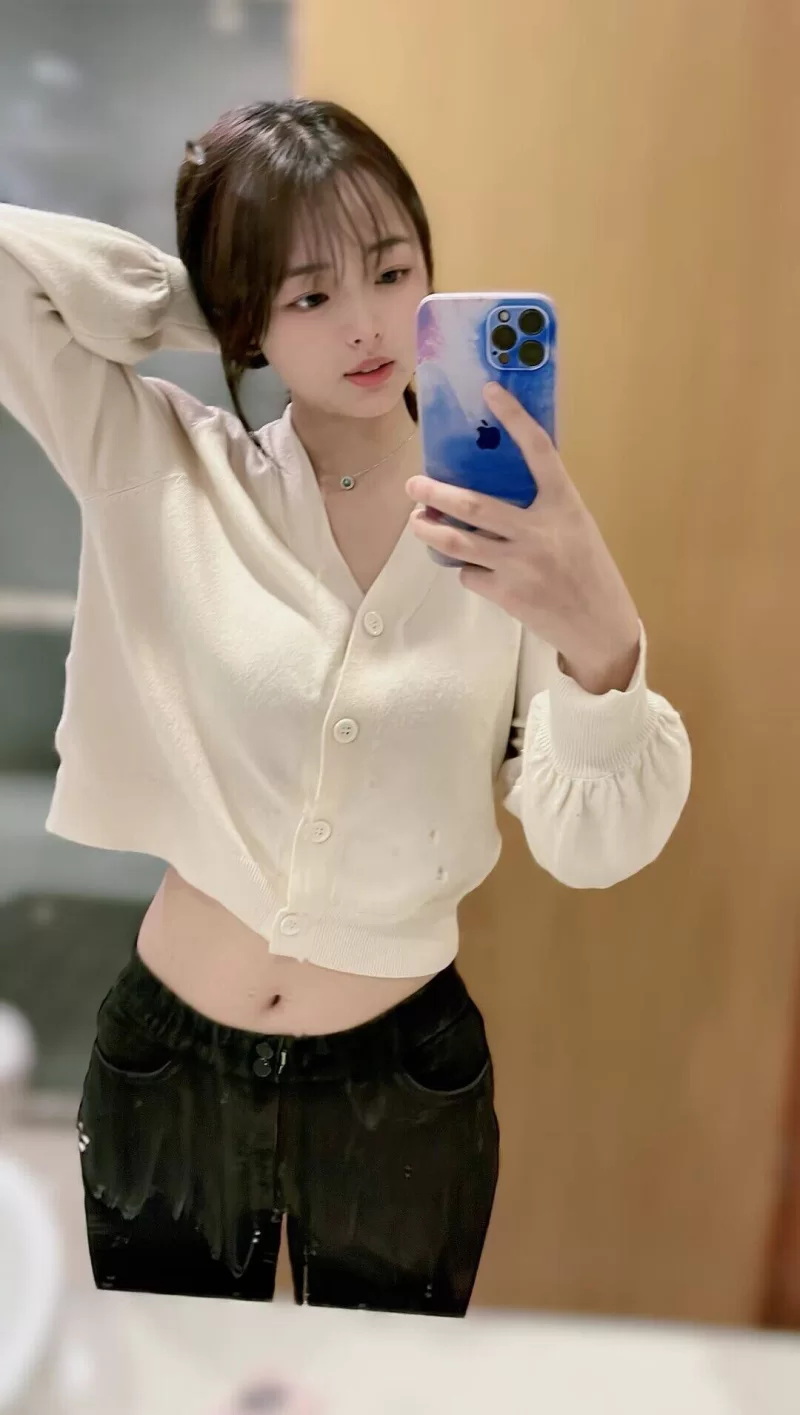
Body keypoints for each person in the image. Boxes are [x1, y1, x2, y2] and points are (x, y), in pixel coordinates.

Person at [0, 98, 691, 1317]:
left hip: (400, 1085)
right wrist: (202, 300)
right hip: (168, 1064)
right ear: (246, 313)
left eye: (390, 270)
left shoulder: (512, 528)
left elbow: (594, 845)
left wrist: (601, 642)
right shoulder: (165, 465)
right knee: (165, 1386)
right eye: (309, 293)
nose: (367, 323)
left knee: (388, 1387)